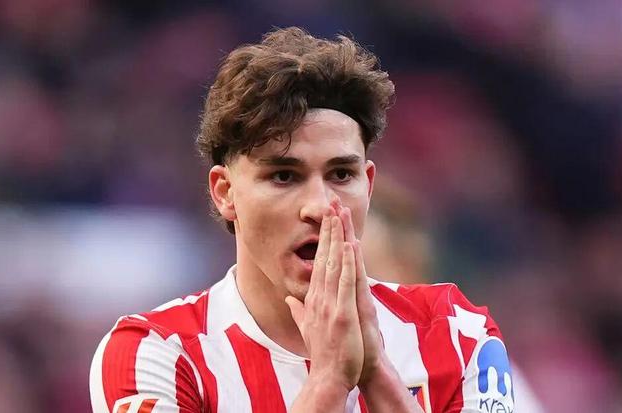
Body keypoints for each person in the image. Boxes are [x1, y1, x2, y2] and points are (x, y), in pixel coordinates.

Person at [90, 27, 515, 413]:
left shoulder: (456, 333)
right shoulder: (155, 355)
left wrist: (375, 374)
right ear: (225, 192)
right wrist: (329, 381)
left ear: (368, 186)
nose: (319, 206)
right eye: (283, 176)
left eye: (341, 174)